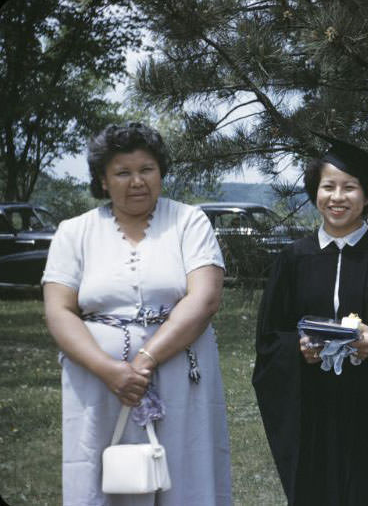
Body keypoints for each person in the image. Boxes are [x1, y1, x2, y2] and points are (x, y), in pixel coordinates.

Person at [42, 123, 232, 505]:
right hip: (97, 378)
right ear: (102, 179)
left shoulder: (189, 222)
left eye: (146, 169)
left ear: (160, 171)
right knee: (103, 473)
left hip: (181, 374)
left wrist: (146, 359)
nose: (137, 182)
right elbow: (59, 310)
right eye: (123, 172)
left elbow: (205, 299)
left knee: (185, 470)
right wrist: (109, 370)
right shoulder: (73, 232)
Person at [252, 134, 368, 505]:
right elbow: (269, 339)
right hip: (313, 409)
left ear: (367, 196)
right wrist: (297, 348)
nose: (337, 197)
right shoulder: (292, 260)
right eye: (327, 187)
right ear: (314, 192)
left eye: (349, 188)